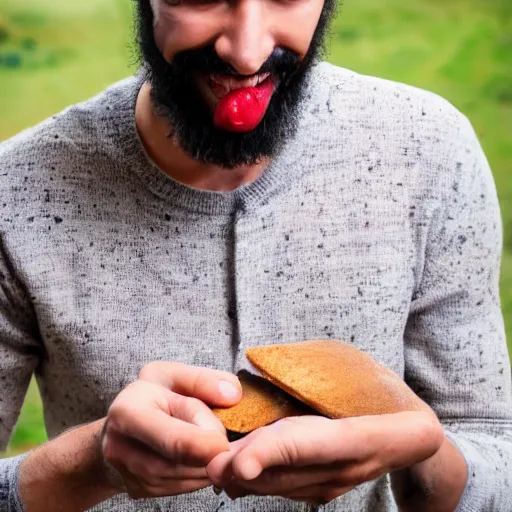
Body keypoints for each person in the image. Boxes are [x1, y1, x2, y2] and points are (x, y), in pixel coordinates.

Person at [0, 0, 511, 510]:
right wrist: (89, 465)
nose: (247, 54)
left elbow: (497, 460)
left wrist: (419, 456)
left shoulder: (429, 152)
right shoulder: (17, 192)